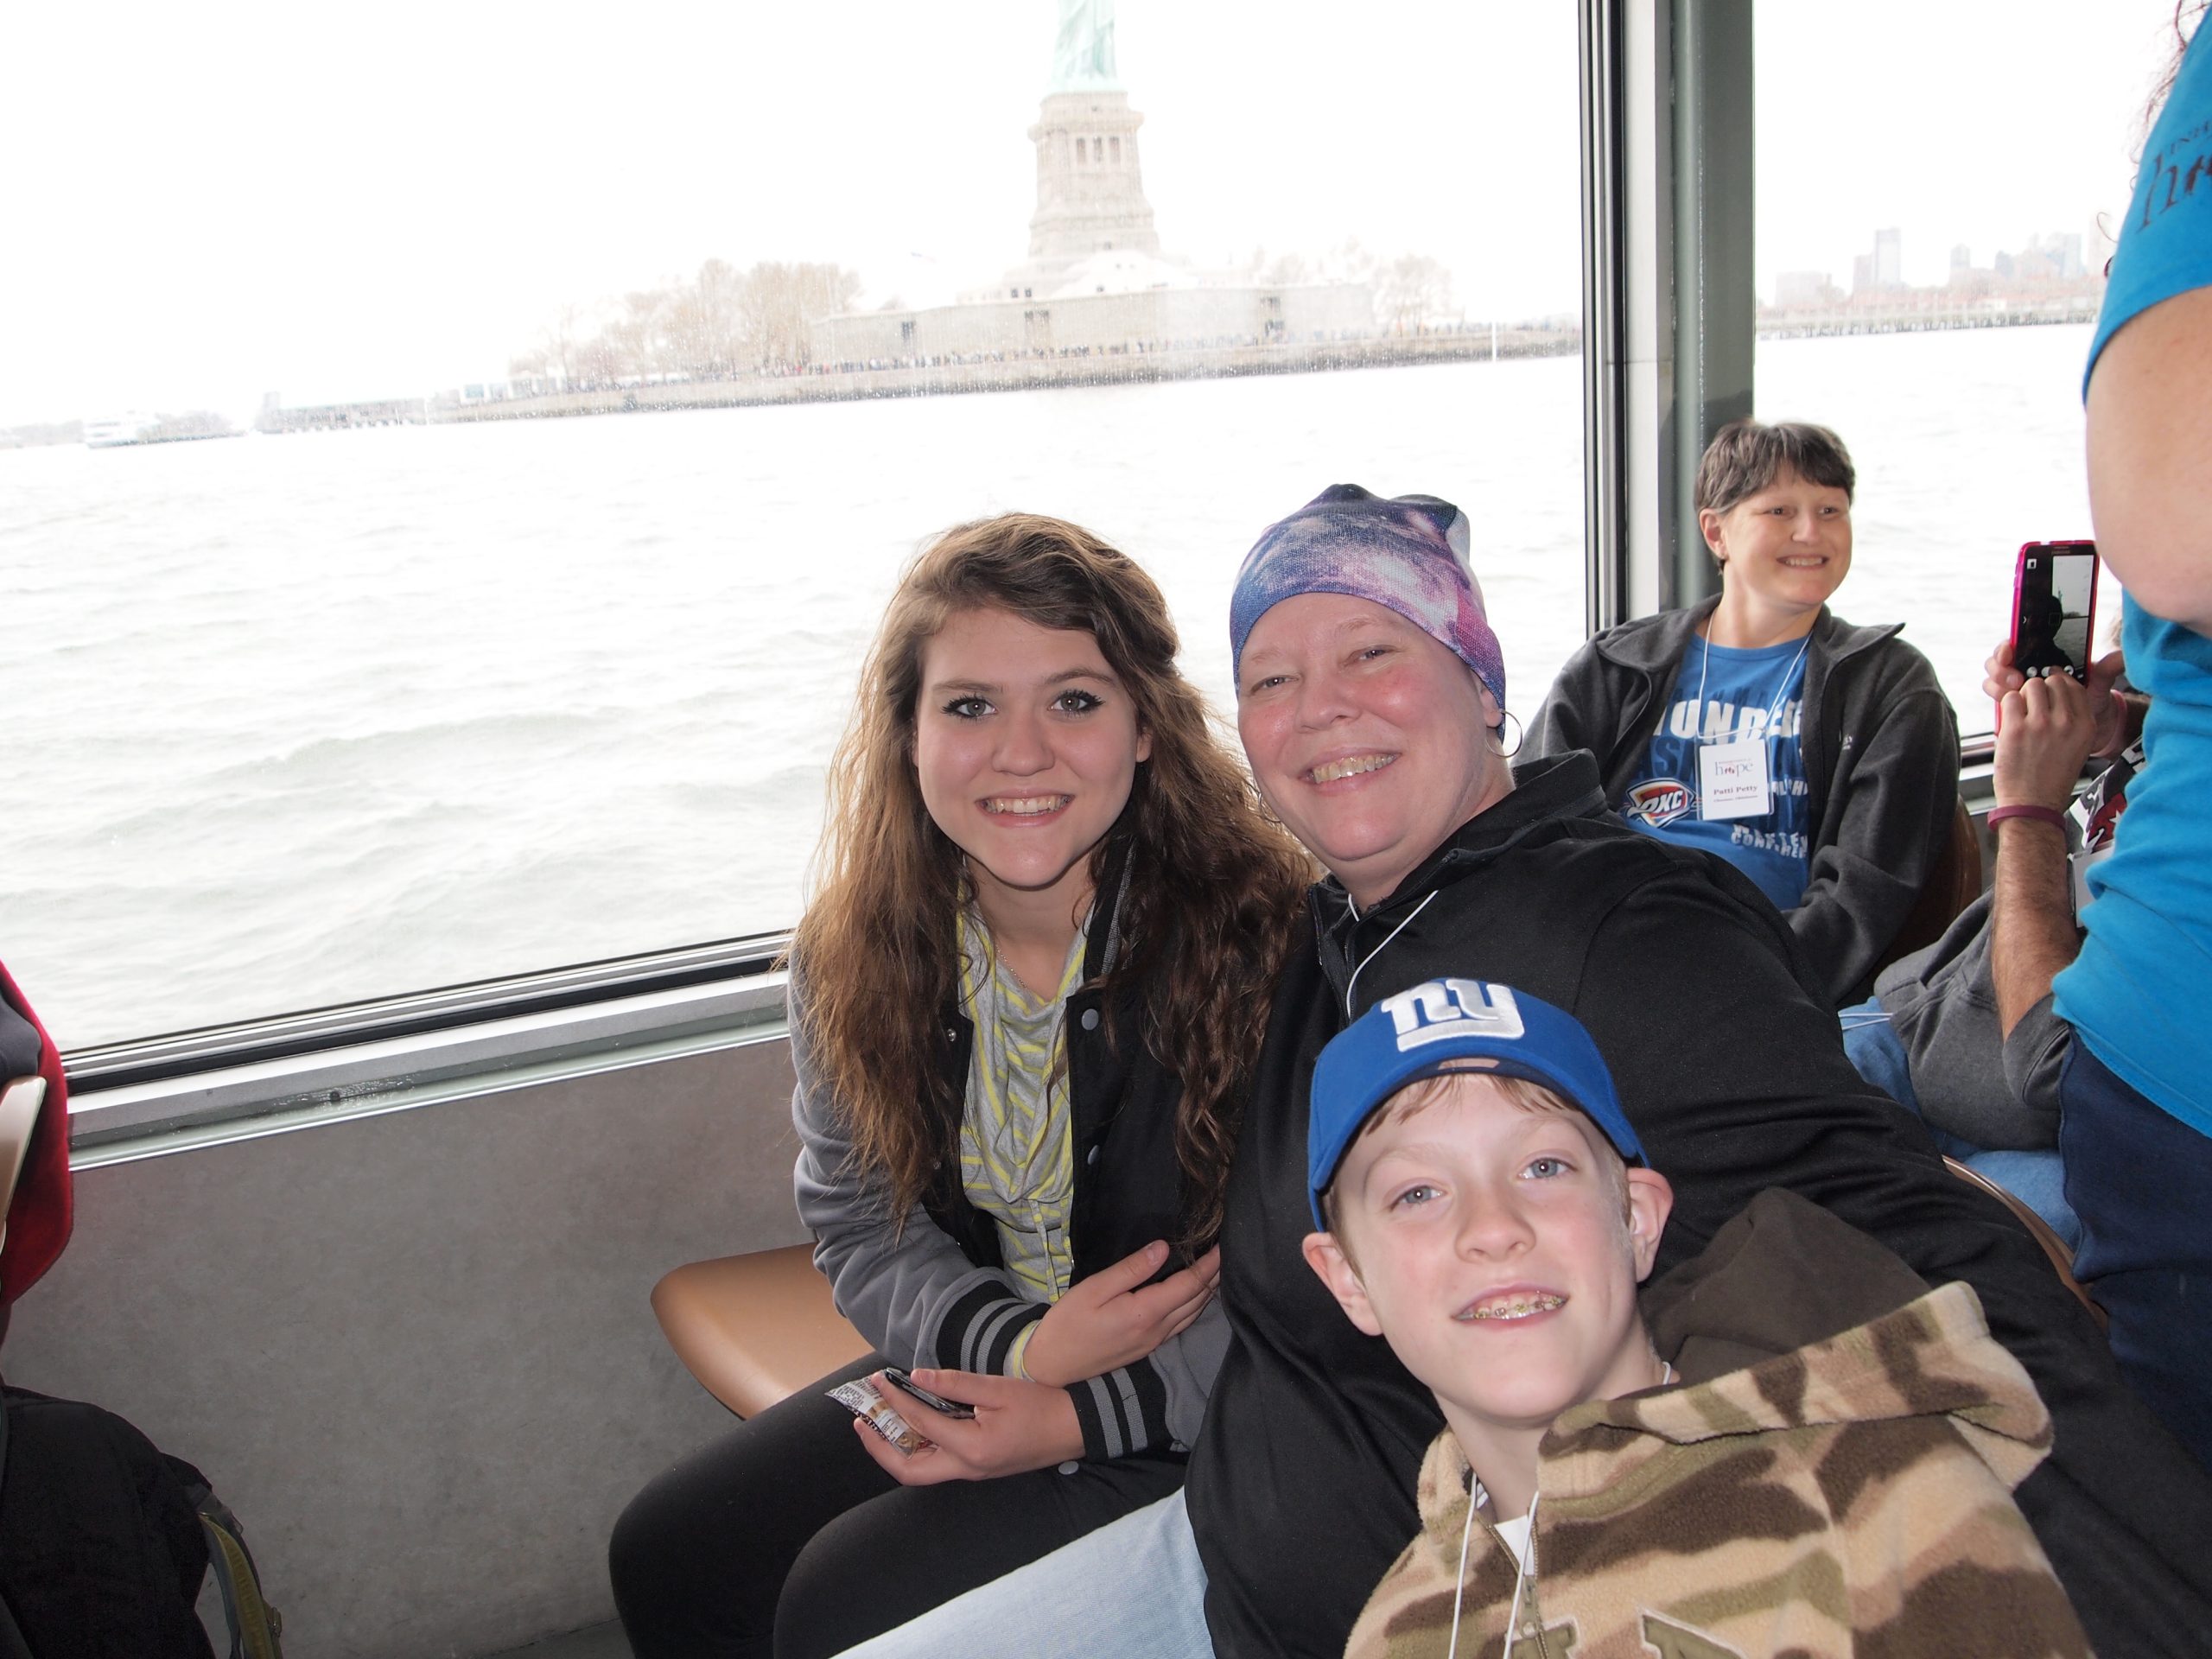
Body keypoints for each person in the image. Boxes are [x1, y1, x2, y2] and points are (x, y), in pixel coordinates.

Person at [832, 483, 2212, 1659]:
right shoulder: (1347, 935)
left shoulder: (1612, 926)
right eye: (1273, 678)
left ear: (1481, 683)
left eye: (1373, 653)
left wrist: (2133, 1597)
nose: (1321, 713)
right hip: (1230, 1558)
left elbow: (1884, 1230)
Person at [607, 513, 1308, 1657]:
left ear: (1145, 730)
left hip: (1209, 1409)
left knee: (840, 1602)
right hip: (999, 1356)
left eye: (1075, 701)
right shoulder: (857, 954)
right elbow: (859, 1218)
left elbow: (1327, 1284)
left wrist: (1080, 1409)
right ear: (908, 734)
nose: (1020, 753)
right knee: (677, 1548)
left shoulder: (1268, 945)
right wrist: (1021, 1355)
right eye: (971, 706)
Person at [1302, 977, 2088, 1659]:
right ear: (1349, 1282)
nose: (1494, 1226)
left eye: (1544, 1167)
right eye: (1417, 1194)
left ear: (1637, 1219)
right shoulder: (1395, 1632)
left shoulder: (1881, 1504)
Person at [1529, 420, 1958, 1007]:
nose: (1811, 532)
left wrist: (1745, 990)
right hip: (1603, 954)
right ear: (1716, 532)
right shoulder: (1614, 667)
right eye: (1779, 511)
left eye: (1831, 511)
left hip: (1772, 979)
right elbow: (1535, 824)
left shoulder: (1890, 687)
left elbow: (1864, 894)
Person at [2044, 0, 2212, 1470]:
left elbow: (2029, 1041)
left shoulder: (1875, 695)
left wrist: (2029, 810)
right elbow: (2190, 526)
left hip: (2039, 1014)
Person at [1840, 640, 2144, 1244]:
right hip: (1931, 1029)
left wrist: (2030, 809)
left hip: (2074, 1138)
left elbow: (2046, 1062)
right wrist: (2119, 727)